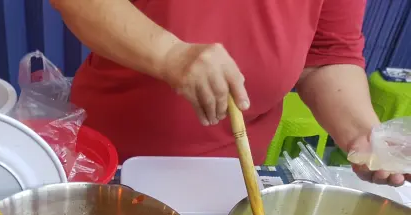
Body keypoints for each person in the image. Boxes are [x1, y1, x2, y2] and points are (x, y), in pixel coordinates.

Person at [51, 0, 410, 186]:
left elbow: (327, 55)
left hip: (231, 172)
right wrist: (170, 54)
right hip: (111, 160)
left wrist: (365, 136)